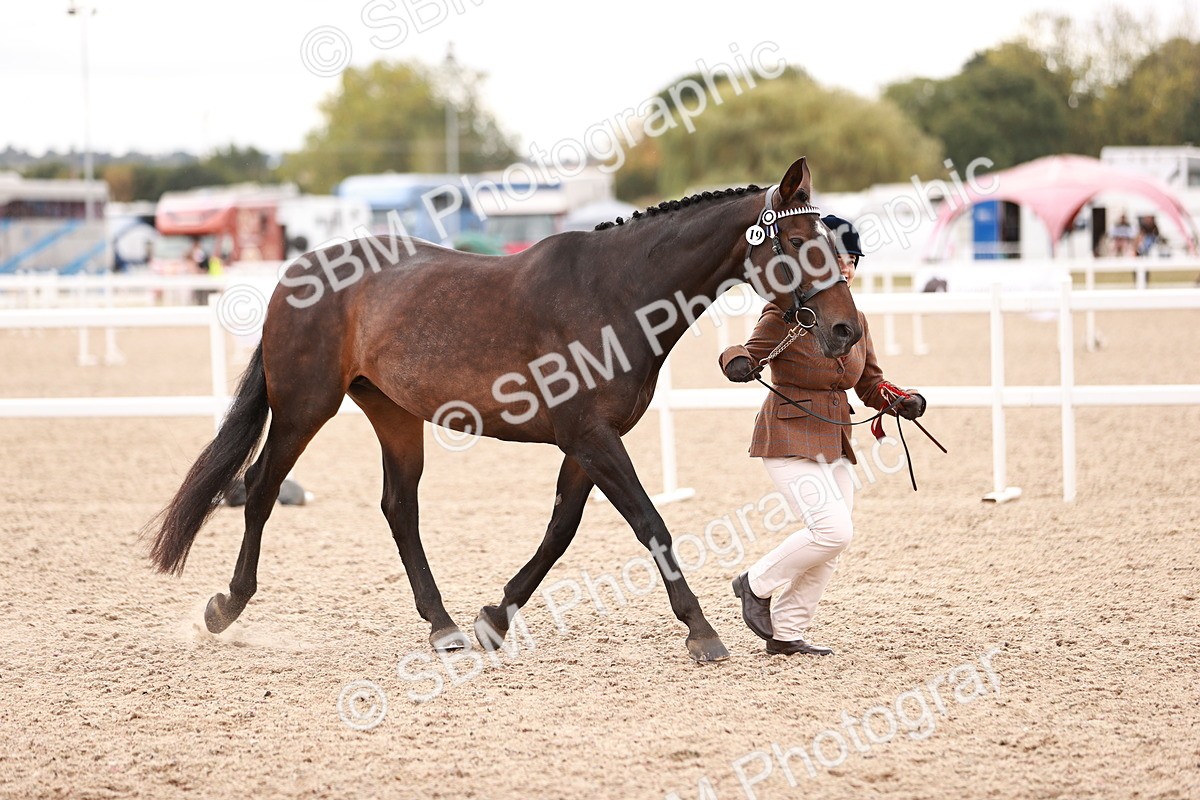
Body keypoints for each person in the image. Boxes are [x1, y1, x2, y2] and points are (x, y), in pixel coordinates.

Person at [721, 214, 926, 656]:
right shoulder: (787, 313)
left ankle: (787, 631)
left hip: (834, 443)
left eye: (851, 258)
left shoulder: (855, 320)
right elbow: (746, 351)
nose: (846, 267)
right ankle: (753, 584)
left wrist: (900, 400)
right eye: (837, 258)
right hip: (789, 438)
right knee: (833, 531)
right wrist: (735, 362)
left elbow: (870, 382)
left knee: (830, 544)